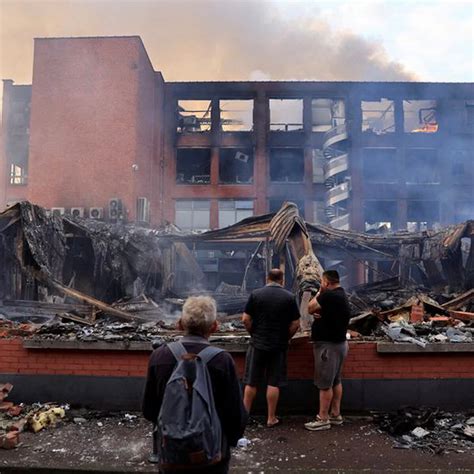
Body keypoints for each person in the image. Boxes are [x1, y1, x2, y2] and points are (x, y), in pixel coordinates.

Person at [142, 296, 247, 473]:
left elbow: (149, 409)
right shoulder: (222, 361)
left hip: (172, 454)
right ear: (215, 326)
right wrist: (227, 442)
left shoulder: (159, 357)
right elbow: (235, 413)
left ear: (180, 324)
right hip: (212, 454)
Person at [242, 268, 300, 427]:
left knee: (251, 381)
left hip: (258, 344)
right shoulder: (289, 297)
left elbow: (246, 319)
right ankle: (271, 418)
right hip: (278, 345)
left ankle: (244, 417)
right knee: (273, 382)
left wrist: (254, 333)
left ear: (267, 278)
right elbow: (296, 323)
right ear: (282, 280)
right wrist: (286, 337)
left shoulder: (256, 295)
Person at [304, 270, 351, 431]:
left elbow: (309, 308)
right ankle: (335, 415)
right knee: (336, 381)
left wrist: (319, 293)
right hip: (340, 344)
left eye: (322, 282)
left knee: (325, 384)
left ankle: (322, 418)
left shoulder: (328, 295)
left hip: (327, 347)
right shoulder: (341, 294)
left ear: (326, 282)